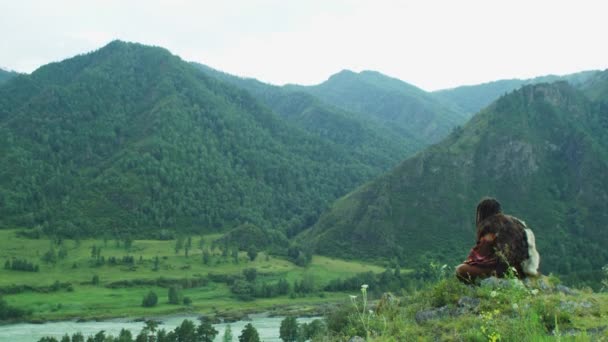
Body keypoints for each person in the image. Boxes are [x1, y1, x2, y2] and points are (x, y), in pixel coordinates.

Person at [456, 197, 536, 283]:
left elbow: (480, 255)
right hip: (524, 268)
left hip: (503, 269)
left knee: (460, 269)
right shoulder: (516, 222)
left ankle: (496, 280)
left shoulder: (489, 226)